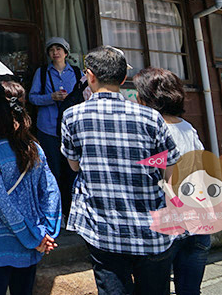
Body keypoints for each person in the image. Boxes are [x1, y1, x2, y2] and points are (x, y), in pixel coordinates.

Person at [62, 46, 181, 295]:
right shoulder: (150, 118)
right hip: (151, 228)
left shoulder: (73, 116)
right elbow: (170, 170)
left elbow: (74, 165)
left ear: (89, 76)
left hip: (103, 228)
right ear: (123, 78)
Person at [0, 81, 61, 295]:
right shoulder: (35, 148)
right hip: (32, 242)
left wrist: (31, 235)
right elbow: (52, 191)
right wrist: (45, 233)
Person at [133, 67, 208, 295]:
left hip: (166, 226)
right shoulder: (187, 128)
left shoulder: (149, 130)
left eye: (137, 93)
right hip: (198, 222)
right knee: (190, 290)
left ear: (147, 97)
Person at [28, 36, 81, 214]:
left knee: (73, 171)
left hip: (73, 129)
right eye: (52, 50)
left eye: (59, 49)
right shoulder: (42, 73)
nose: (55, 52)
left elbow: (84, 95)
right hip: (48, 128)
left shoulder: (76, 72)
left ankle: (73, 210)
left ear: (66, 52)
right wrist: (51, 97)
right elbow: (32, 97)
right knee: (53, 171)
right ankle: (57, 212)